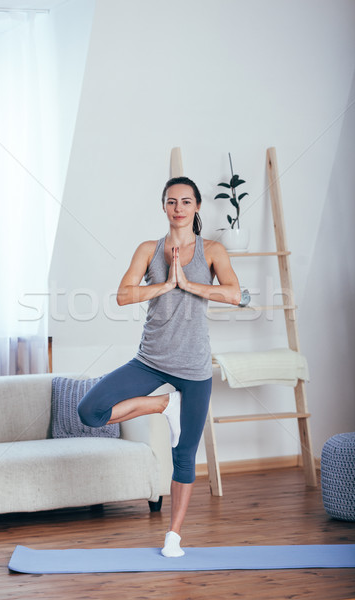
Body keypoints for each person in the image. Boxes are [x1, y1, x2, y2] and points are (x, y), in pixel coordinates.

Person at [78, 176, 249, 557]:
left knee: (184, 455)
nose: (178, 208)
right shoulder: (148, 250)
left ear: (197, 207)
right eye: (172, 201)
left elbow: (236, 294)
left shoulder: (214, 250)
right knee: (89, 411)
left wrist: (189, 284)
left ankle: (173, 536)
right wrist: (166, 285)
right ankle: (162, 405)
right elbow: (124, 295)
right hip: (150, 361)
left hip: (193, 368)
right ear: (164, 207)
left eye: (186, 201)